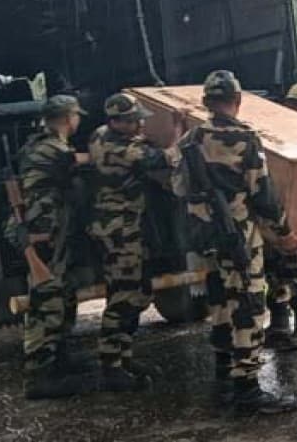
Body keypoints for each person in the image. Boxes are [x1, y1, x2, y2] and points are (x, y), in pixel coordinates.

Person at [183, 70, 297, 413]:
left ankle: (223, 367)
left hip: (205, 235)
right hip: (238, 234)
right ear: (237, 101)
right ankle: (247, 388)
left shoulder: (190, 139)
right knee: (249, 304)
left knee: (220, 297)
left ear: (206, 103)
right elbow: (263, 193)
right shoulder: (245, 138)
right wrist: (284, 233)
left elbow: (177, 184)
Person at [88, 93, 175, 391]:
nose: (140, 124)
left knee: (137, 291)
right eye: (134, 120)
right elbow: (165, 157)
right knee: (122, 297)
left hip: (122, 228)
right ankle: (111, 365)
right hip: (119, 232)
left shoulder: (100, 135)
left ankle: (123, 356)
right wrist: (179, 136)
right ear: (117, 122)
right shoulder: (119, 151)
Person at [15, 96, 95, 399]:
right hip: (44, 232)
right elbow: (78, 161)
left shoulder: (42, 145)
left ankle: (59, 357)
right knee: (46, 297)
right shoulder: (50, 148)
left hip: (53, 228)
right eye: (76, 116)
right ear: (66, 118)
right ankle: (38, 374)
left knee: (62, 293)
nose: (78, 121)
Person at [263, 82, 297, 352]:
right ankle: (279, 322)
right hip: (274, 215)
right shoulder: (275, 134)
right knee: (273, 271)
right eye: (291, 103)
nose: (294, 108)